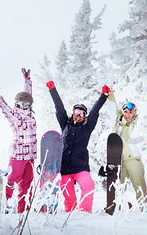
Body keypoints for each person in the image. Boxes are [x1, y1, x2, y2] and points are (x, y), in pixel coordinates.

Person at [46, 80, 110, 213]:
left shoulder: (87, 128)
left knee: (89, 186)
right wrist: (53, 90)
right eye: (76, 112)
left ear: (85, 116)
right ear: (72, 113)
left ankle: (85, 212)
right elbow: (59, 108)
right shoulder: (65, 124)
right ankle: (70, 213)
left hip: (80, 166)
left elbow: (95, 111)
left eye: (82, 113)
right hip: (65, 168)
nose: (78, 115)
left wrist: (103, 95)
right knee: (68, 195)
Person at [0, 68, 37, 217]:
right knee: (11, 184)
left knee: (27, 185)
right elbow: (4, 107)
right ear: (18, 104)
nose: (27, 107)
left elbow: (28, 95)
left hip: (30, 157)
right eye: (24, 104)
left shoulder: (30, 114)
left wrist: (27, 81)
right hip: (18, 157)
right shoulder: (14, 115)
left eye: (29, 104)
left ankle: (23, 211)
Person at [106, 89, 147, 207]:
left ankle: (145, 210)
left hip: (133, 159)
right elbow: (112, 109)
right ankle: (117, 210)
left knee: (140, 187)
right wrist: (110, 92)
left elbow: (144, 114)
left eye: (130, 112)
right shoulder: (116, 123)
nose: (127, 114)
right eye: (125, 112)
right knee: (118, 188)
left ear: (134, 114)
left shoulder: (136, 125)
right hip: (118, 161)